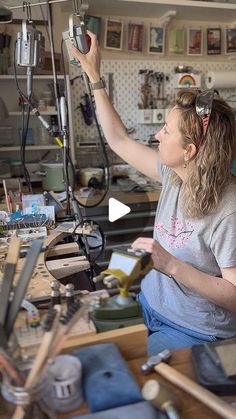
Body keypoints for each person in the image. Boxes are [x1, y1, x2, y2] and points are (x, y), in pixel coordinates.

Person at [71, 32, 236, 356]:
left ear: (189, 150)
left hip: (196, 330)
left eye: (166, 130)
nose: (158, 134)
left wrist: (172, 265)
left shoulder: (229, 210)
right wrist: (95, 77)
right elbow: (118, 140)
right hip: (151, 306)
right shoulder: (174, 175)